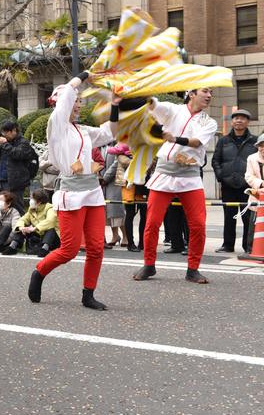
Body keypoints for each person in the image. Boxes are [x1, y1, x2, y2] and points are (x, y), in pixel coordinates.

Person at [28, 72, 120, 310]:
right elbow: (67, 95)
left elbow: (109, 132)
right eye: (75, 101)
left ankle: (88, 294)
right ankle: (39, 272)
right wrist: (84, 75)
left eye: (80, 101)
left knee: (96, 247)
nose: (79, 105)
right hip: (71, 194)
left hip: (93, 192)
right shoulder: (56, 126)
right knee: (68, 250)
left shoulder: (83, 130)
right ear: (62, 103)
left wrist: (115, 106)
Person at [132, 88, 217, 283]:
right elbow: (155, 105)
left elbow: (197, 142)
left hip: (190, 175)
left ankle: (193, 269)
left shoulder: (209, 121)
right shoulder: (173, 110)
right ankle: (149, 265)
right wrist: (144, 95)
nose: (209, 95)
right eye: (205, 91)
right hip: (164, 173)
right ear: (192, 93)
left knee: (198, 225)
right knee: (152, 222)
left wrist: (174, 139)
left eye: (211, 92)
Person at [212, 108, 257, 254]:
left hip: (248, 186)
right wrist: (221, 176)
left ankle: (247, 246)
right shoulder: (223, 140)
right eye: (236, 118)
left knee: (249, 217)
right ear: (231, 121)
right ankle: (228, 245)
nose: (239, 120)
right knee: (229, 216)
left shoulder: (255, 141)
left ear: (248, 122)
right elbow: (216, 160)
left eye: (243, 118)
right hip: (228, 185)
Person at [0, 119, 36, 213]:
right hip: (4, 179)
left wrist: (4, 143)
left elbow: (18, 154)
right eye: (3, 132)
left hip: (16, 181)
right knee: (6, 208)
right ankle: (10, 227)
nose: (4, 135)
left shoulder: (23, 142)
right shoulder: (7, 142)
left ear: (14, 130)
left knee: (17, 207)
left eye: (6, 132)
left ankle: (21, 226)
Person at [3, 189, 60, 257]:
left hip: (54, 239)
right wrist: (21, 228)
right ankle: (13, 246)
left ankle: (45, 248)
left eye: (32, 198)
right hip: (39, 235)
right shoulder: (32, 210)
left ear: (39, 201)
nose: (31, 200)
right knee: (24, 225)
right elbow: (22, 219)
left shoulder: (50, 208)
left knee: (51, 228)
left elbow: (50, 220)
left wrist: (34, 228)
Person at [102, 142, 128, 247]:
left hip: (116, 181)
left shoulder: (119, 143)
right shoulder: (103, 145)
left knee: (117, 210)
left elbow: (117, 163)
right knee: (109, 210)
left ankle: (126, 236)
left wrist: (106, 177)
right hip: (105, 182)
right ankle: (115, 235)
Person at [244, 134, 264, 250]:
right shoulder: (252, 158)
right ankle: (251, 249)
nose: (262, 149)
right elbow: (249, 176)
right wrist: (261, 184)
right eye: (260, 146)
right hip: (257, 196)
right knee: (254, 225)